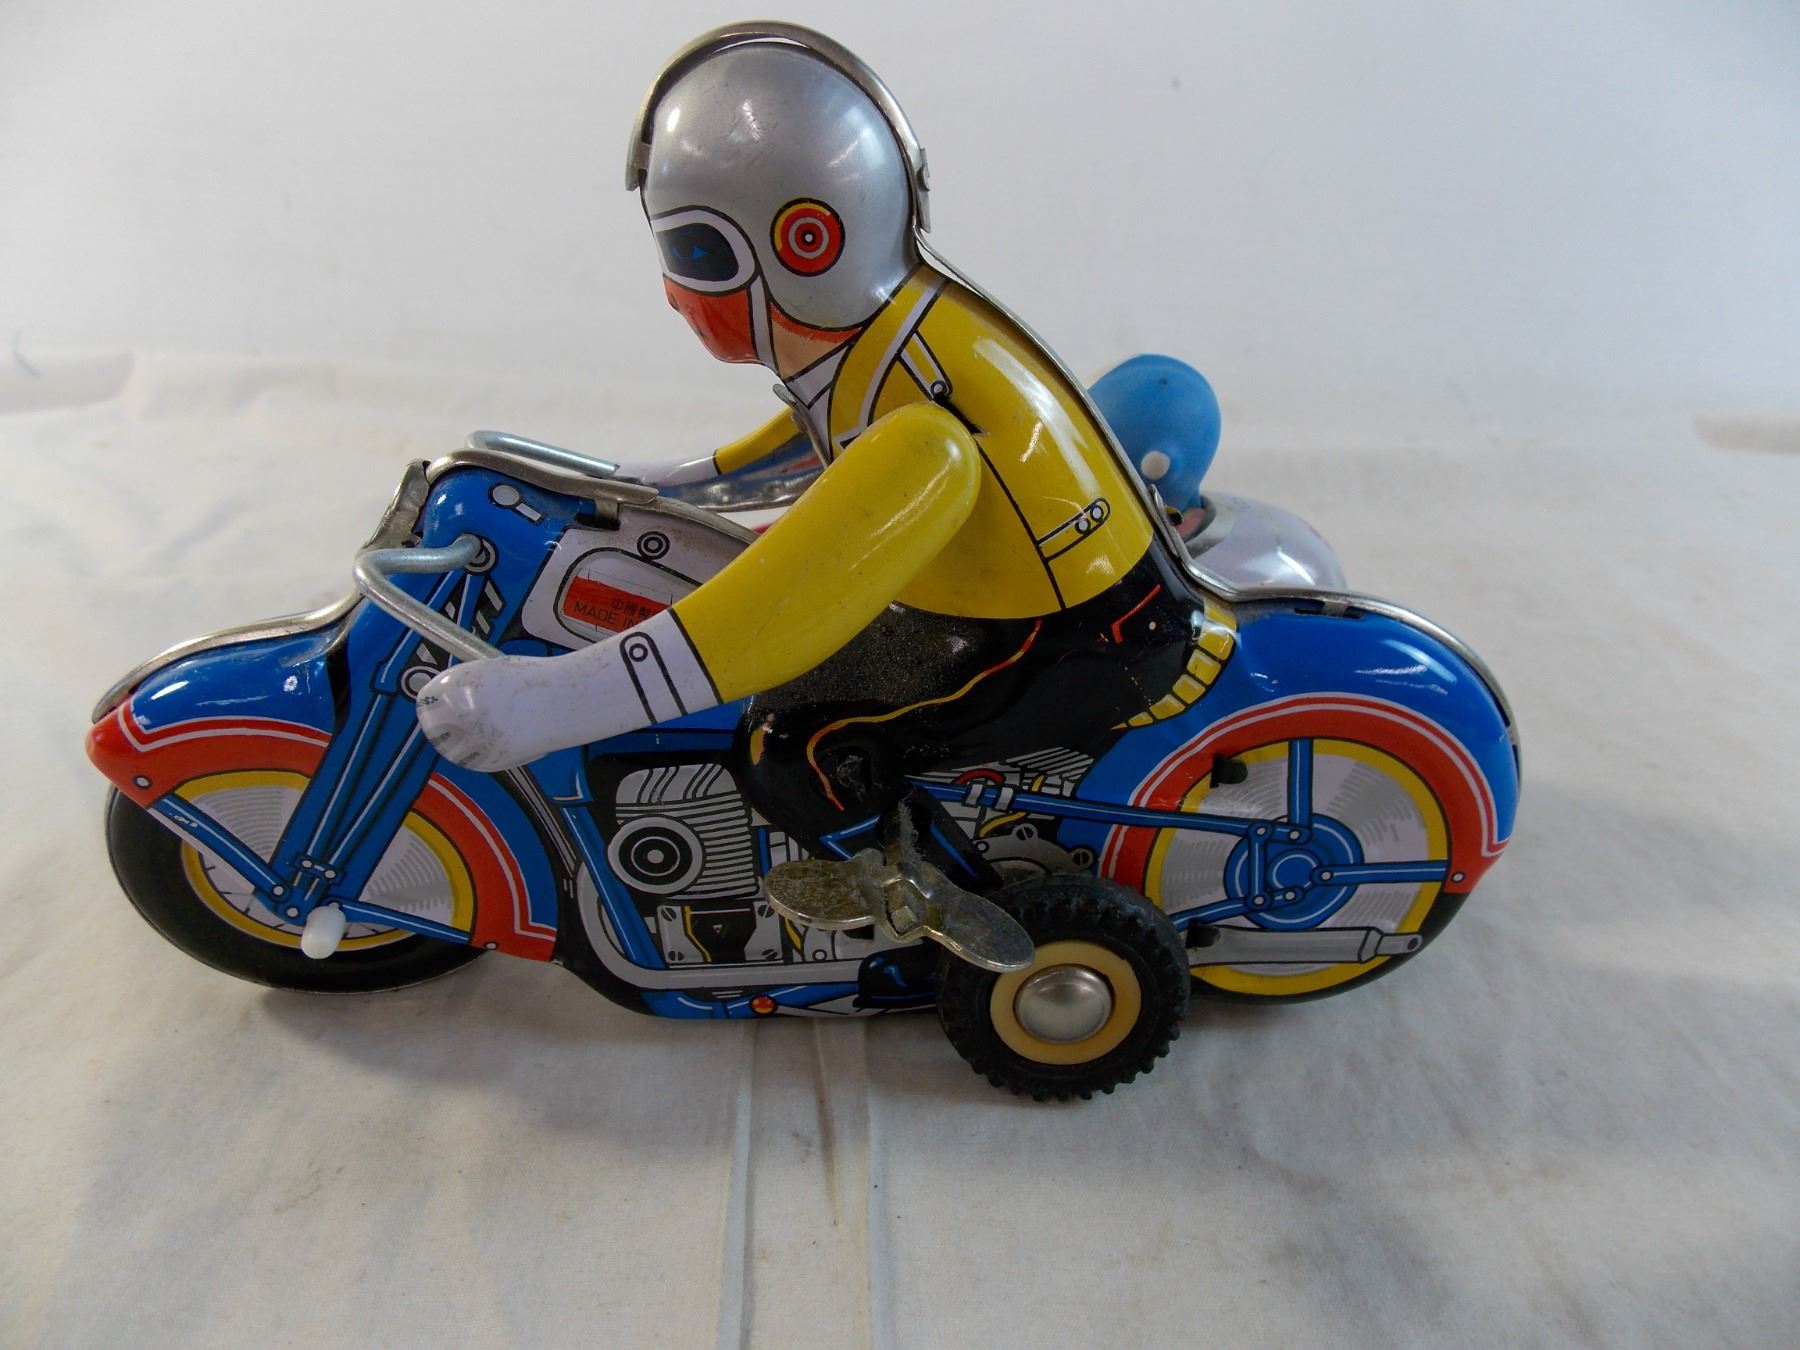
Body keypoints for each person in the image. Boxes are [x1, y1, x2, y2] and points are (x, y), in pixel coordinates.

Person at [418, 23, 1199, 893]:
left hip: (1082, 636)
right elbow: (810, 441)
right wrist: (636, 482)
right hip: (1000, 600)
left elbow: (785, 605)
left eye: (698, 255)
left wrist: (557, 700)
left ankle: (947, 911)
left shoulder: (923, 425)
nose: (674, 294)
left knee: (794, 748)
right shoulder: (885, 334)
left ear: (807, 243)